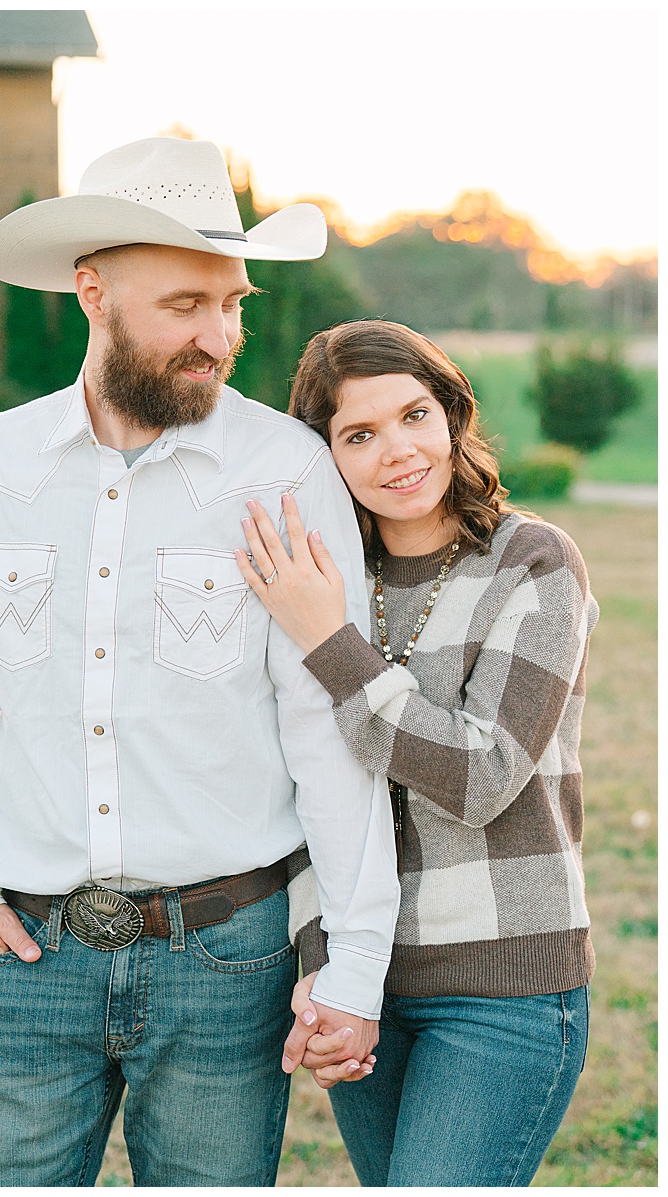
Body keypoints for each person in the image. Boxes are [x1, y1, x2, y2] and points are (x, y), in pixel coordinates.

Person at [0, 136, 399, 1187]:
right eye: (184, 305)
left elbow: (330, 730)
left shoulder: (286, 471)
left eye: (232, 304)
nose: (218, 336)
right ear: (93, 292)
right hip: (29, 956)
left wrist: (355, 961)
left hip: (227, 957)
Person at [240, 320, 596, 1186]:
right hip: (368, 983)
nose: (398, 451)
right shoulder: (327, 577)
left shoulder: (533, 561)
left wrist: (330, 643)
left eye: (414, 415)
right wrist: (326, 962)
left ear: (452, 413)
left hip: (505, 985)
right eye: (359, 434)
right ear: (324, 452)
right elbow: (300, 791)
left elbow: (482, 776)